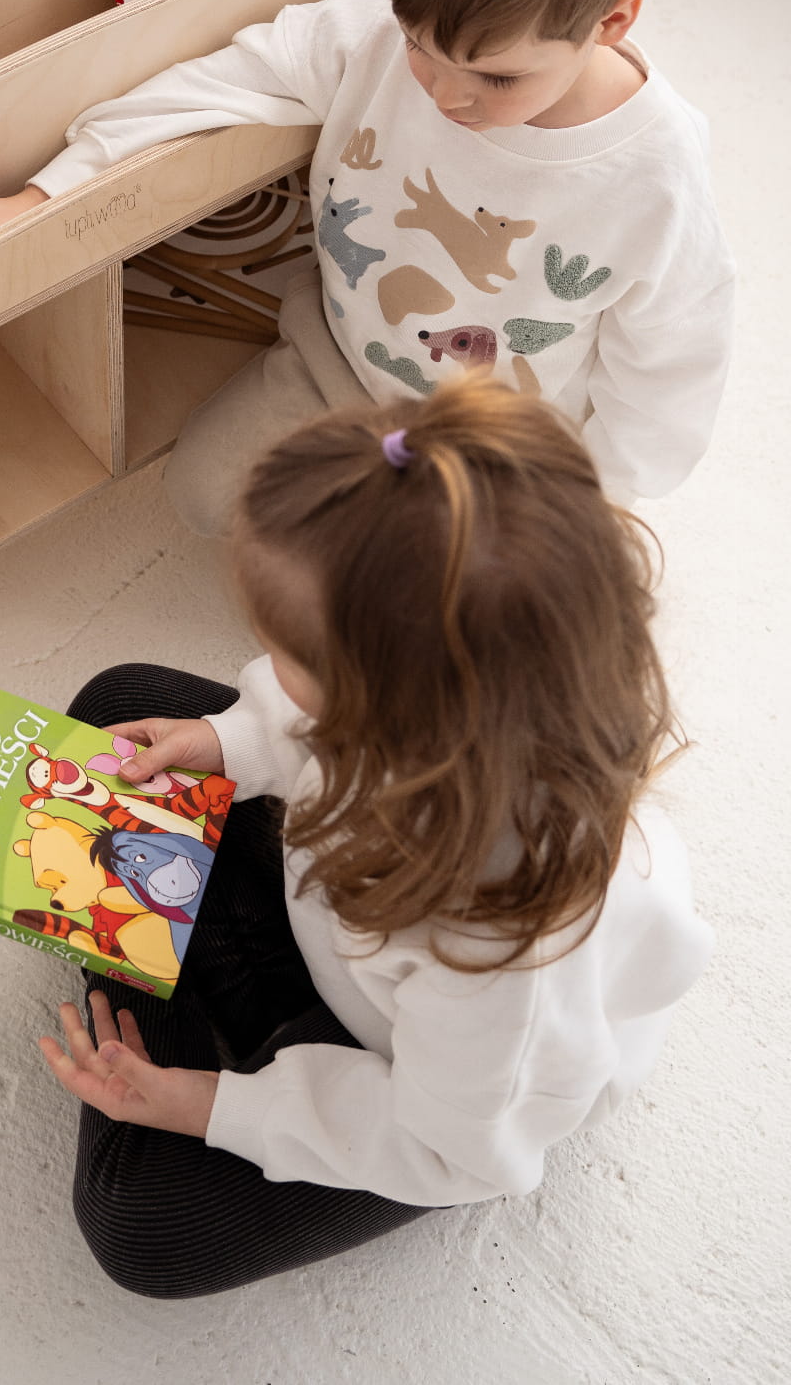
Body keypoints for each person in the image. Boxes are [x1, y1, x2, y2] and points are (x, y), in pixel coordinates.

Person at [37, 378, 713, 1299]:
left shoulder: (504, 954)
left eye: (289, 657)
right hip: (347, 934)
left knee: (141, 1225)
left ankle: (179, 1025)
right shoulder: (466, 700)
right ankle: (200, 999)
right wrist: (229, 741)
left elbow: (443, 1149)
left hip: (420, 1092)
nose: (267, 665)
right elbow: (302, 726)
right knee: (120, 709)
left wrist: (204, 1104)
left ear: (392, 715)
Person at [0, 0, 734, 528]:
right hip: (343, 366)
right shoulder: (371, 28)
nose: (444, 94)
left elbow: (670, 369)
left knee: (431, 592)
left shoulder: (654, 172)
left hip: (505, 445)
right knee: (204, 493)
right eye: (418, 45)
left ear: (611, 21)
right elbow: (223, 80)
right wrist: (48, 193)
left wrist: (596, 500)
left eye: (497, 77)